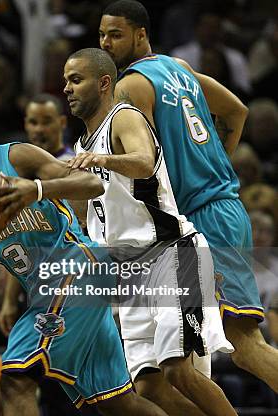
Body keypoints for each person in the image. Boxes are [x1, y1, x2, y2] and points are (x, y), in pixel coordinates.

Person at [0, 102, 168, 415]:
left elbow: (93, 184)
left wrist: (36, 190)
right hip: (45, 288)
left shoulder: (16, 157)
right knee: (119, 404)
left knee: (15, 378)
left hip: (79, 266)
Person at [98, 0, 278, 392]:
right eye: (101, 35)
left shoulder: (130, 85)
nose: (106, 43)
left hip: (205, 217)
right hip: (218, 209)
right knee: (177, 360)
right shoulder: (178, 69)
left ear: (141, 34)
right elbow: (237, 111)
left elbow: (141, 162)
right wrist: (212, 161)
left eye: (115, 34)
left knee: (245, 346)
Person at [67, 48, 235, 416]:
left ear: (104, 82)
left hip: (171, 256)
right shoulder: (82, 145)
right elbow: (92, 213)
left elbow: (143, 163)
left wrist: (104, 160)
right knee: (149, 387)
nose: (67, 88)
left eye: (76, 79)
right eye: (65, 80)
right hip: (130, 274)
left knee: (179, 371)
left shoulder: (124, 118)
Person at [24, 93, 74, 161]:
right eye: (33, 122)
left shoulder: (76, 165)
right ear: (26, 124)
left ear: (62, 122)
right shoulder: (14, 164)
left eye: (46, 122)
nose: (39, 129)